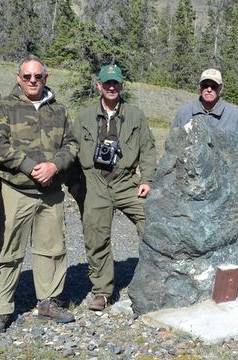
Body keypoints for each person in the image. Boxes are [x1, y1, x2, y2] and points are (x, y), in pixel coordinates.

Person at [0, 55, 78, 335]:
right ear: (18, 77)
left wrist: (55, 165)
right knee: (8, 250)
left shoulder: (59, 110)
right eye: (27, 76)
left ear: (45, 78)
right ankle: (1, 310)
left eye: (38, 76)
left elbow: (72, 144)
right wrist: (29, 167)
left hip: (51, 192)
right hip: (16, 189)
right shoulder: (4, 106)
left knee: (52, 249)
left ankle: (48, 302)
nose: (32, 81)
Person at [71, 65, 156, 311]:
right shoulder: (85, 116)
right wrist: (76, 187)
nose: (111, 87)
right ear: (99, 85)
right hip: (94, 182)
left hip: (127, 181)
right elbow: (71, 151)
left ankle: (155, 276)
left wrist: (147, 180)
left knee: (152, 222)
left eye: (115, 83)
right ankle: (102, 291)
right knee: (96, 237)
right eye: (106, 83)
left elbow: (148, 150)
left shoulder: (135, 115)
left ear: (121, 86)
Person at [172, 68, 238, 135]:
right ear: (199, 87)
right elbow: (171, 145)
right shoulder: (183, 113)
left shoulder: (234, 115)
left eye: (214, 86)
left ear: (221, 88)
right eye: (205, 85)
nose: (209, 90)